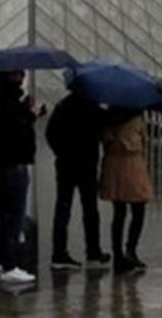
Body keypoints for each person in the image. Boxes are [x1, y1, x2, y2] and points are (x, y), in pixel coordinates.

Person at [0, 70, 43, 285]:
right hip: (12, 164)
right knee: (13, 215)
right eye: (18, 75)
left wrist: (25, 111)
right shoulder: (7, 101)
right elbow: (13, 130)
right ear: (9, 77)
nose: (23, 78)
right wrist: (30, 114)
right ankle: (9, 265)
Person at [46, 90, 109, 270]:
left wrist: (61, 152)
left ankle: (59, 253)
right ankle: (93, 251)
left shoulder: (63, 105)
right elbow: (103, 128)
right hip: (87, 165)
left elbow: (50, 134)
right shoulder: (92, 107)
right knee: (90, 209)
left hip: (65, 164)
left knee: (63, 209)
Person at [100, 108, 154, 273]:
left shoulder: (108, 116)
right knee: (138, 208)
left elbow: (105, 139)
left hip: (113, 165)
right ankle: (131, 250)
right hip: (132, 164)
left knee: (119, 212)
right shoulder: (136, 116)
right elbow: (144, 139)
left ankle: (118, 254)